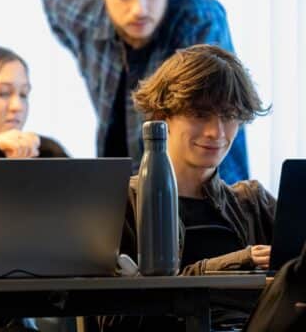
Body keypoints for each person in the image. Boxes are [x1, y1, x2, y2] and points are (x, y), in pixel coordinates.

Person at [41, 0, 249, 183]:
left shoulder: (198, 20)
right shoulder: (86, 14)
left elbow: (212, 125)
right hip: (119, 191)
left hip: (201, 185)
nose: (139, 9)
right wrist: (78, 46)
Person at [102, 44, 274, 331]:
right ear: (162, 115)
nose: (216, 133)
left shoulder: (253, 203)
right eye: (200, 114)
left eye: (229, 116)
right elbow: (109, 320)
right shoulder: (119, 204)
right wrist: (230, 265)